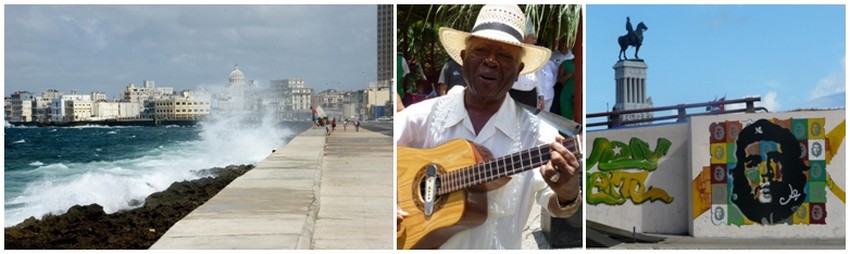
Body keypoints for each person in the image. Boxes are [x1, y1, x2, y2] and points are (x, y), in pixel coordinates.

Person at [395, 5, 581, 249]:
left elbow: (558, 207)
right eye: (481, 50)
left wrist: (568, 193)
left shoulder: (540, 136)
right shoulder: (422, 116)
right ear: (462, 59)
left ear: (519, 71)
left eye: (505, 55)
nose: (491, 61)